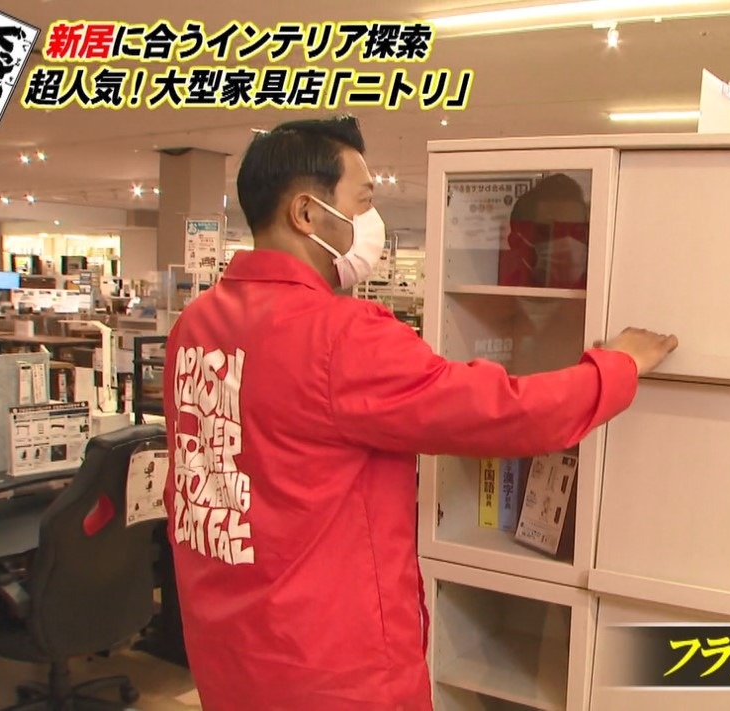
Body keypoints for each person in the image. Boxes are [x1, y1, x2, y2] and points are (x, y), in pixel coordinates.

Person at [161, 116, 678, 711]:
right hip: (330, 668)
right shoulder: (339, 336)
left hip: (228, 651)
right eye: (363, 202)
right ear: (306, 213)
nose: (370, 221)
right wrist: (618, 367)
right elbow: (500, 413)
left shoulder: (195, 324)